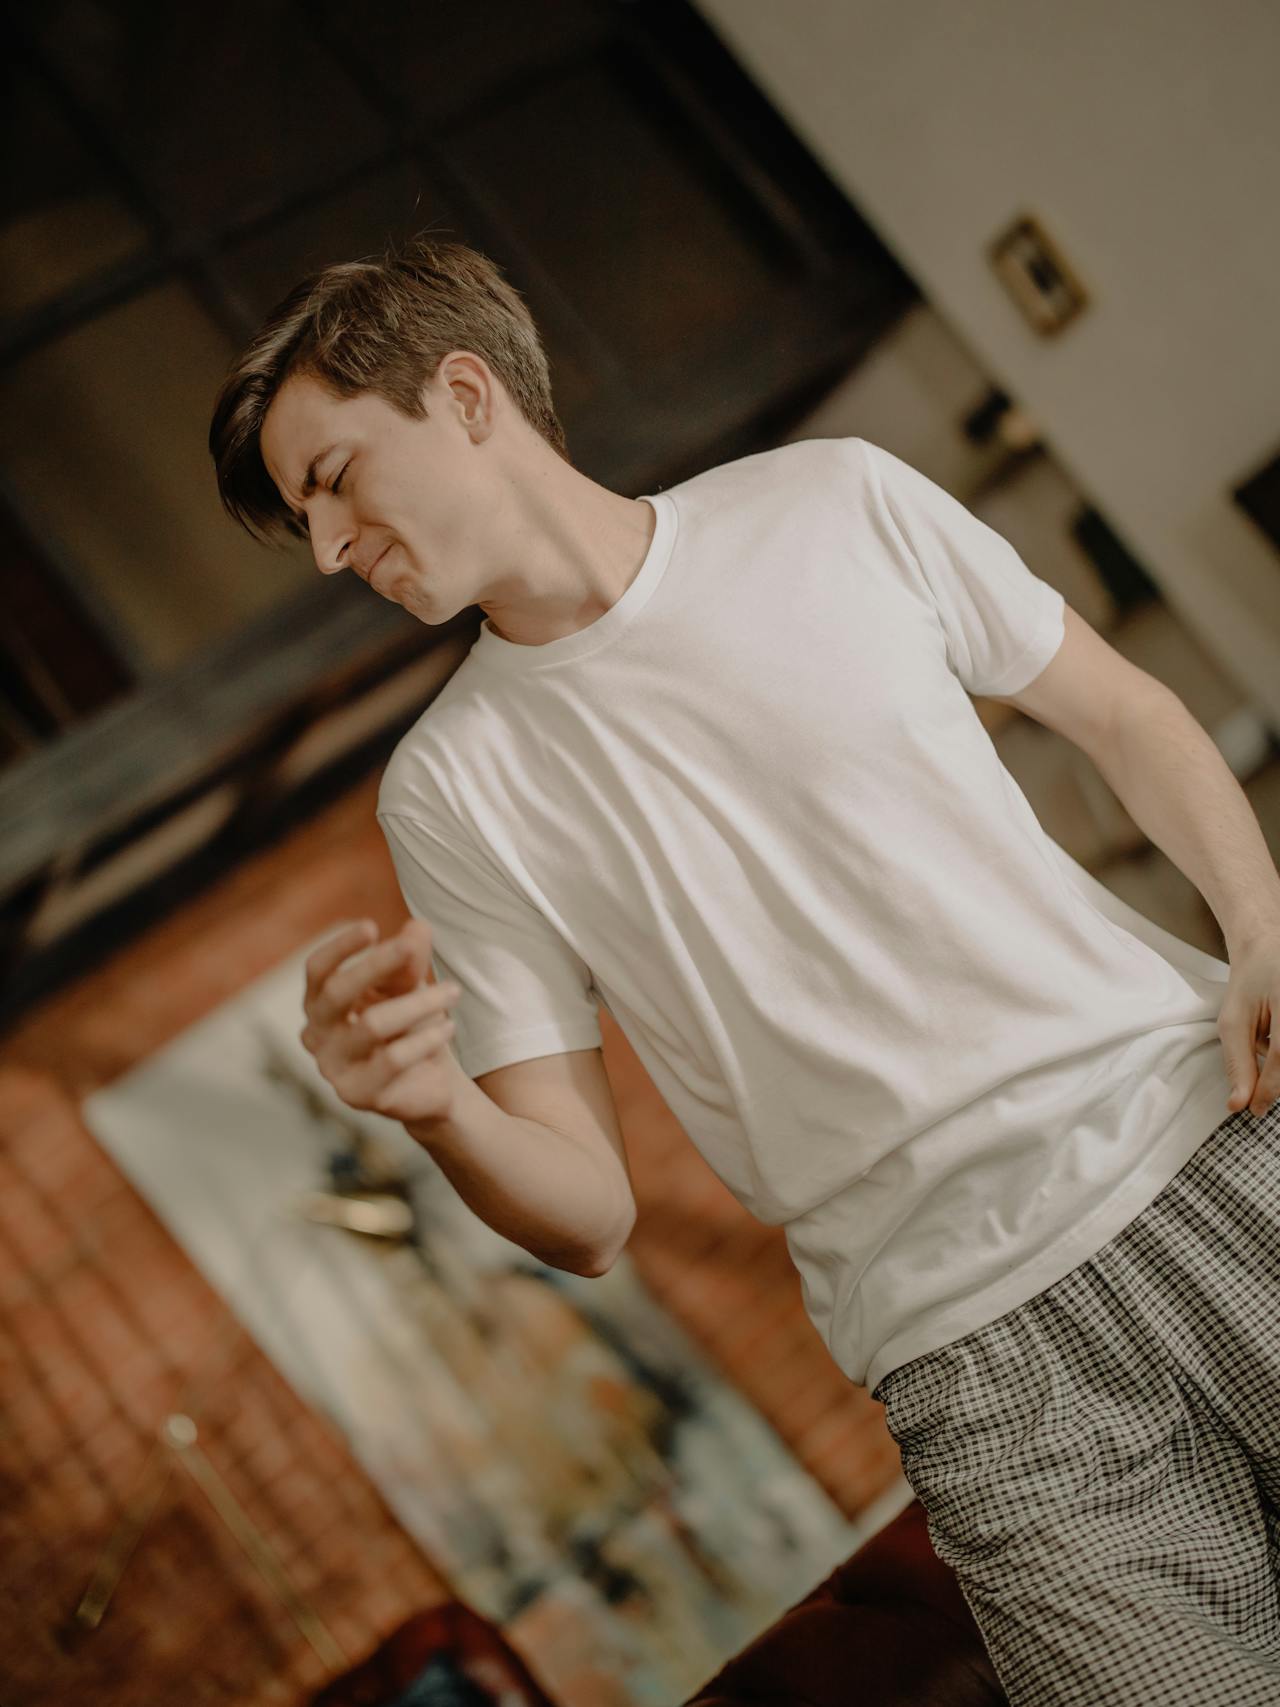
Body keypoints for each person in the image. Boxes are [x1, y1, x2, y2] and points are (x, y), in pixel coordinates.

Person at [209, 231, 1280, 1704]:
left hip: (1213, 1151)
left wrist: (1259, 922)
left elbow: (1122, 713)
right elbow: (592, 1216)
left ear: (462, 395)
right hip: (973, 1354)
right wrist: (435, 1105)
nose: (331, 551)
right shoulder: (448, 792)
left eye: (332, 481)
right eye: (305, 523)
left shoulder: (833, 498)